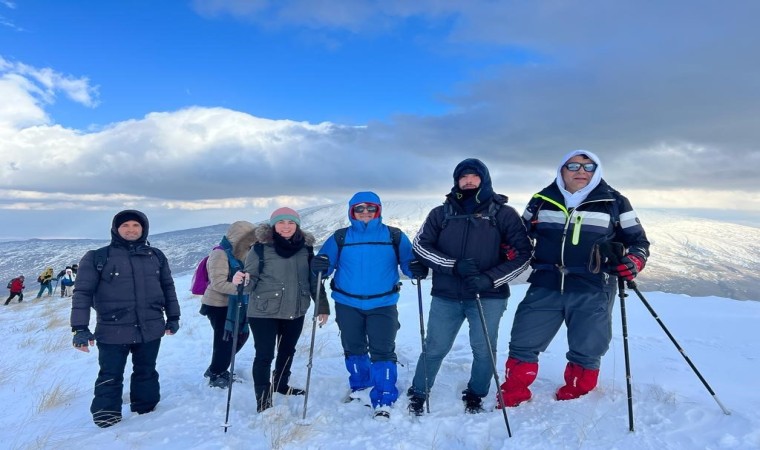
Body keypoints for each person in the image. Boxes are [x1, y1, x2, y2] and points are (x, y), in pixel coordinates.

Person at [498, 150, 650, 407]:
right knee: (523, 340)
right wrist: (509, 248)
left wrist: (633, 261)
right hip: (546, 281)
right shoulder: (542, 200)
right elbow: (521, 235)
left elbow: (638, 242)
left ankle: (577, 398)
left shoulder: (614, 202)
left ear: (597, 171)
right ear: (562, 170)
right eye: (574, 165)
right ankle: (513, 392)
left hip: (592, 285)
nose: (581, 171)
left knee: (588, 346)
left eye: (589, 167)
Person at [406, 158, 532, 415]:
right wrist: (452, 265)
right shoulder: (441, 214)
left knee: (484, 349)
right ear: (456, 181)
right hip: (446, 294)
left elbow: (524, 254)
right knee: (435, 346)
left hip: (488, 295)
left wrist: (490, 279)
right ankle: (419, 390)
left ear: (484, 180)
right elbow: (420, 246)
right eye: (463, 177)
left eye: (475, 176)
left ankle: (476, 392)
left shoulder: (503, 214)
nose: (469, 180)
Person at [310, 191, 419, 420]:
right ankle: (360, 387)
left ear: (378, 210)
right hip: (347, 303)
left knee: (382, 350)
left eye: (370, 208)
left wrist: (415, 268)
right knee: (353, 346)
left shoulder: (394, 236)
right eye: (359, 208)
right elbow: (325, 267)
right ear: (352, 212)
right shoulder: (340, 237)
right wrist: (319, 265)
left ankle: (385, 396)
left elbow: (408, 264)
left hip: (383, 303)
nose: (365, 212)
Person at [70, 210, 181, 428]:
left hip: (150, 326)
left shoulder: (155, 256)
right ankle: (106, 416)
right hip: (112, 329)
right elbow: (82, 293)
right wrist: (79, 328)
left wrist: (173, 316)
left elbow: (168, 287)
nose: (131, 230)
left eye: (136, 226)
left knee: (146, 369)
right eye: (125, 226)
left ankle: (146, 409)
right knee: (110, 374)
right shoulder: (98, 257)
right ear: (116, 229)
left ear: (144, 229)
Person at [243, 207, 329, 413]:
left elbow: (313, 280)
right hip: (264, 312)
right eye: (281, 222)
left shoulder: (306, 249)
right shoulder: (260, 249)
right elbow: (250, 280)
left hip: (295, 309)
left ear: (297, 225)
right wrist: (242, 280)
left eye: (291, 222)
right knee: (264, 355)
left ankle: (281, 385)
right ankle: (263, 400)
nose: (286, 226)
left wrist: (322, 306)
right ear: (273, 225)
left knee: (287, 351)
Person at [200, 221, 256, 389]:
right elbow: (218, 283)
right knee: (225, 341)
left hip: (235, 305)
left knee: (239, 337)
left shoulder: (242, 252)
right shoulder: (220, 254)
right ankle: (216, 373)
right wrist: (244, 290)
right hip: (219, 305)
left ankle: (217, 368)